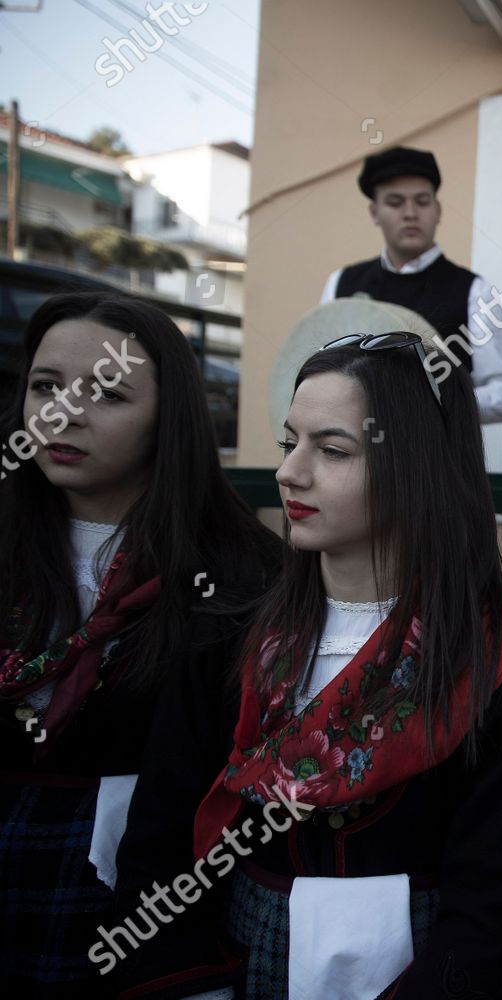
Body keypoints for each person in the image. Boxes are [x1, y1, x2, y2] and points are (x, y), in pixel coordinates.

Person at [113, 333, 502, 997]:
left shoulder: (500, 658)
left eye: (332, 450)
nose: (291, 472)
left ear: (417, 466)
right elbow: (161, 842)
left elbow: (497, 895)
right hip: (237, 962)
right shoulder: (228, 637)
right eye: (290, 441)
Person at [0, 292, 280, 994]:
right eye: (45, 387)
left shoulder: (239, 572)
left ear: (167, 420)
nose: (64, 412)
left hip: (133, 892)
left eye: (107, 394)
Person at [320, 145, 502, 423]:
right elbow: (322, 375)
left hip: (437, 462)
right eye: (394, 202)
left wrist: (436, 401)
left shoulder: (473, 291)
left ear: (438, 210)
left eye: (422, 201)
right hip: (358, 459)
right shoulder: (341, 284)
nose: (410, 213)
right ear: (374, 212)